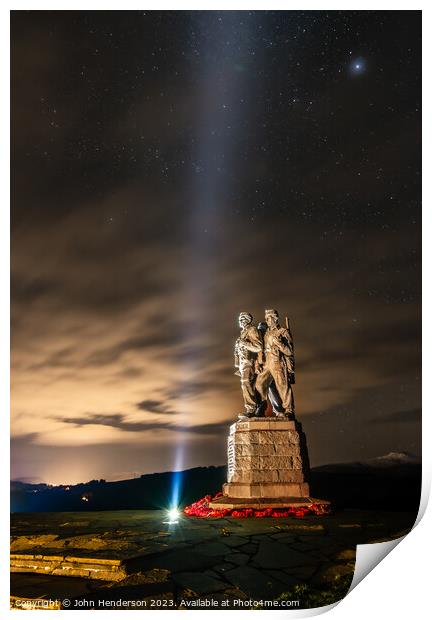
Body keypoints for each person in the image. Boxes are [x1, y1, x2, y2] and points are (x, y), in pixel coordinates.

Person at [256, 308, 295, 418]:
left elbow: (289, 351)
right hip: (266, 362)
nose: (267, 320)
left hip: (277, 361)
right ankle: (261, 406)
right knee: (259, 383)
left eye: (269, 318)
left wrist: (279, 344)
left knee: (282, 385)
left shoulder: (283, 332)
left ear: (275, 319)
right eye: (266, 318)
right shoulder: (266, 334)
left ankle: (289, 409)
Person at [234, 312, 263, 418]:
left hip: (249, 361)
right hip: (243, 363)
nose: (240, 321)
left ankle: (251, 408)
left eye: (242, 319)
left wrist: (244, 343)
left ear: (247, 320)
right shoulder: (243, 332)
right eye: (240, 319)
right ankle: (253, 408)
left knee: (246, 383)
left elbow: (258, 347)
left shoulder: (252, 330)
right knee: (247, 385)